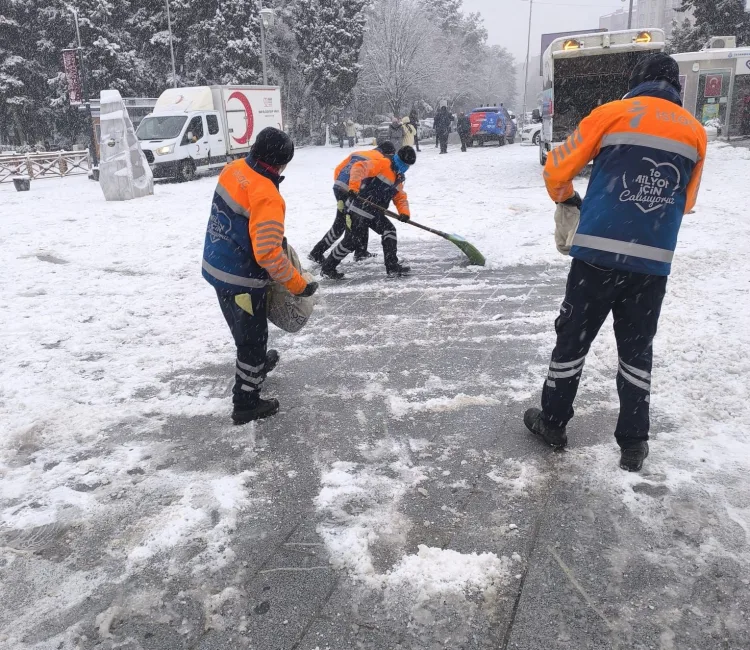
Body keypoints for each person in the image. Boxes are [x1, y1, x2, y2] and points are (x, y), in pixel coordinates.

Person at [523, 53, 707, 472]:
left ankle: (552, 423)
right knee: (637, 350)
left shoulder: (613, 113)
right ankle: (633, 444)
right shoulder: (696, 131)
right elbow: (688, 201)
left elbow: (557, 168)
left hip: (598, 256)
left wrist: (567, 197)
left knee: (573, 339)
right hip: (652, 265)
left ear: (636, 81)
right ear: (676, 86)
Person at [202, 127, 319, 424]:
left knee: (246, 332)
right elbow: (267, 254)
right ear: (281, 163)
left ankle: (254, 367)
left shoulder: (235, 169)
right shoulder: (267, 196)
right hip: (241, 279)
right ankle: (246, 402)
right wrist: (298, 284)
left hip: (218, 262)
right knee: (251, 340)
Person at [320, 146, 416, 280]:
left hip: (374, 212)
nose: (405, 167)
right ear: (398, 159)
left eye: (408, 166)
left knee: (389, 231)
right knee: (351, 241)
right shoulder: (384, 163)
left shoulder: (398, 176)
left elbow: (400, 196)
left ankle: (392, 267)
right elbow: (359, 167)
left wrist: (404, 213)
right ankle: (327, 268)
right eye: (404, 164)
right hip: (359, 208)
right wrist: (353, 188)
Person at [308, 141, 396, 265]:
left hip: (339, 187)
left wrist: (341, 187)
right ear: (389, 154)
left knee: (360, 218)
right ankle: (317, 253)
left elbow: (339, 169)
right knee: (343, 224)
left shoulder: (359, 152)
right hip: (352, 190)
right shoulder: (382, 159)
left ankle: (361, 251)